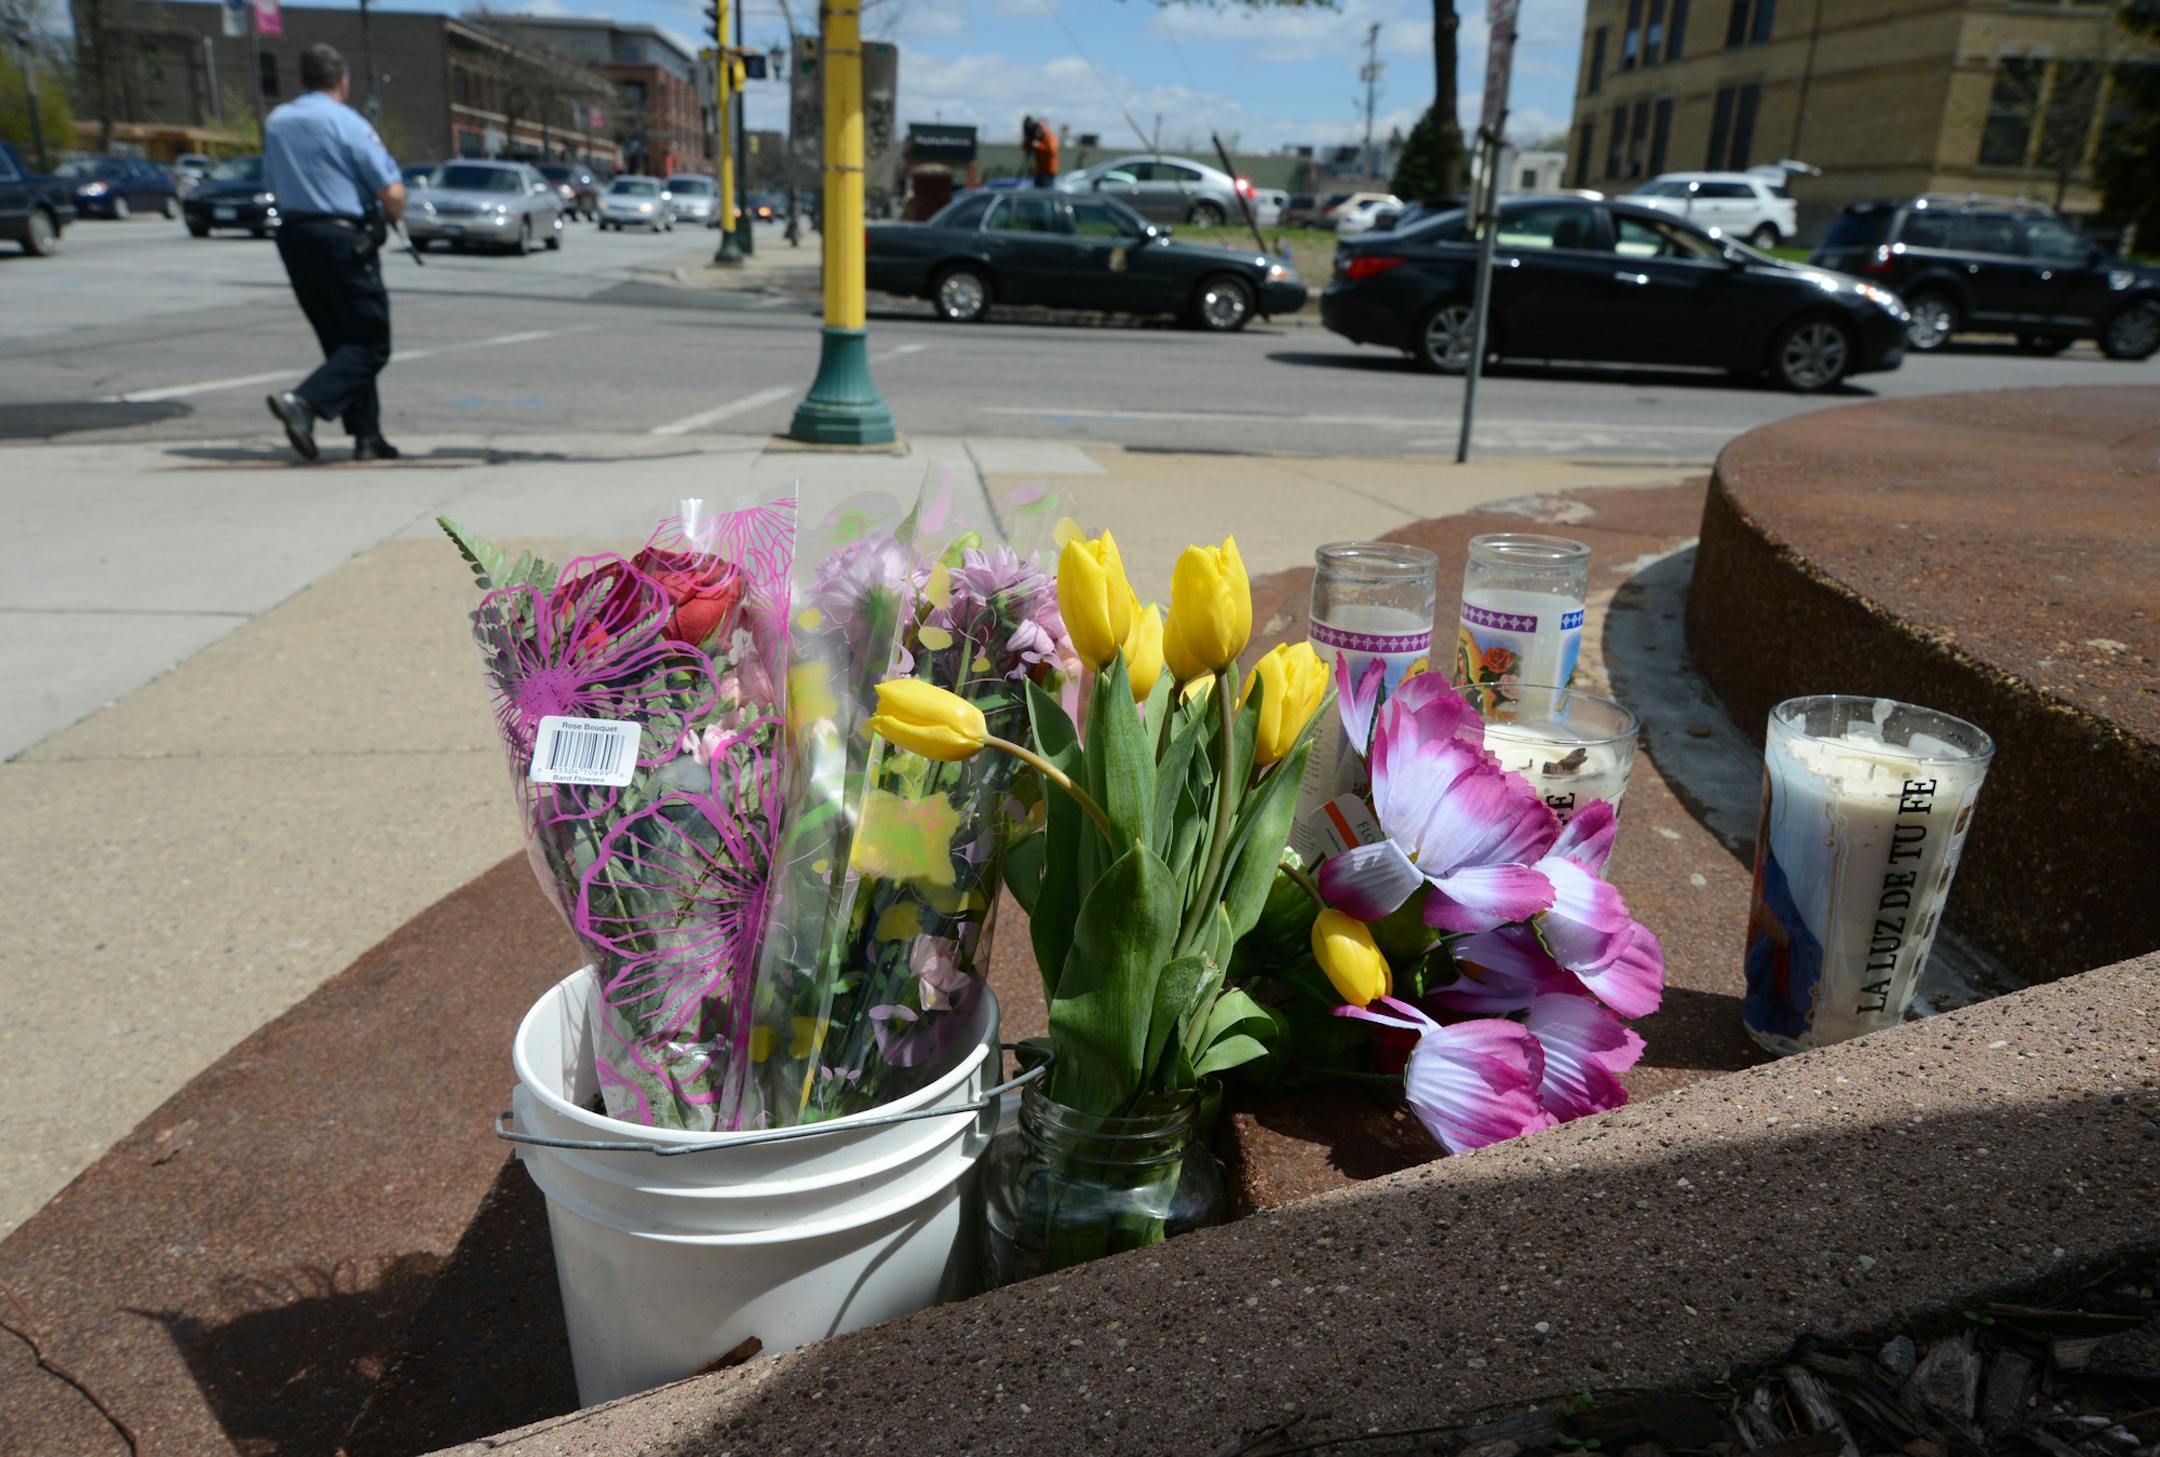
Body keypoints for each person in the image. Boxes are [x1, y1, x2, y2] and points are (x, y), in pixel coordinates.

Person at [261, 43, 405, 463]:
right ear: (343, 81)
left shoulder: (277, 122)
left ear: (302, 80)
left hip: (294, 236)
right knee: (371, 343)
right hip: (342, 238)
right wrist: (389, 216)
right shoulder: (346, 121)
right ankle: (304, 403)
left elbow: (272, 182)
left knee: (342, 342)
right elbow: (392, 191)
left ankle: (367, 437)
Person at [1026, 116, 1059, 189]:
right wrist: (1027, 137)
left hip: (1048, 172)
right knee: (1037, 192)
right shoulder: (1037, 137)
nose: (1039, 129)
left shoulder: (1050, 137)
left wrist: (1039, 145)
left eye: (1041, 127)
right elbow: (1026, 149)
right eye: (1038, 127)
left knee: (1048, 192)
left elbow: (1052, 150)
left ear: (1046, 127)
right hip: (1038, 171)